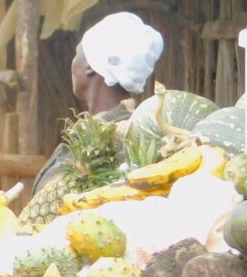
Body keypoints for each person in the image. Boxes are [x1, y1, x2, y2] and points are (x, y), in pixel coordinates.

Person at [31, 11, 164, 196]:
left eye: (78, 53)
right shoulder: (101, 132)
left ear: (89, 67)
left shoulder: (116, 141)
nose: (73, 62)